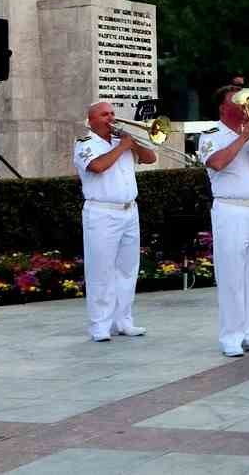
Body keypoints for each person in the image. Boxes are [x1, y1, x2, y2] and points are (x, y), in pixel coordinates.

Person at [198, 85, 249, 357]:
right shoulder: (211, 135)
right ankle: (231, 336)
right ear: (223, 107)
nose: (244, 105)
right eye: (237, 101)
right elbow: (217, 163)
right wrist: (244, 137)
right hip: (230, 209)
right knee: (232, 275)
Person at [73, 101, 154, 342]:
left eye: (112, 113)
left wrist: (134, 142)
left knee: (127, 269)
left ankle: (123, 320)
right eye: (104, 114)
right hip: (102, 213)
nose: (110, 118)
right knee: (101, 270)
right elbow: (97, 166)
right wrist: (123, 147)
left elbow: (150, 158)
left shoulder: (123, 142)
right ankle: (100, 324)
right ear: (92, 120)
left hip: (129, 210)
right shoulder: (84, 144)